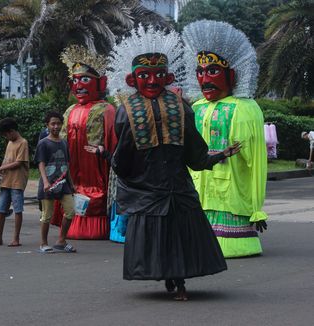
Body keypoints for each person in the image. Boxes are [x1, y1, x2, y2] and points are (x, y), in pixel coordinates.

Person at [108, 25, 239, 300]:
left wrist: (216, 157)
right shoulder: (125, 111)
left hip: (177, 183)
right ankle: (167, 274)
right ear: (133, 80)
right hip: (147, 185)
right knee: (156, 233)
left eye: (158, 75)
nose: (153, 81)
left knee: (180, 233)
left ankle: (179, 281)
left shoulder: (181, 107)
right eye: (145, 75)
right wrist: (120, 169)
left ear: (168, 77)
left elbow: (194, 149)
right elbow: (123, 153)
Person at [182, 20, 268, 258]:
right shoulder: (196, 107)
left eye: (212, 71)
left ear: (231, 75)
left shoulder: (245, 108)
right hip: (199, 185)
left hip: (231, 186)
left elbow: (256, 161)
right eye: (200, 72)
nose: (204, 78)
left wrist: (256, 207)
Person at [57, 45, 118, 240]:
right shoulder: (70, 110)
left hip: (97, 168)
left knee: (95, 188)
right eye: (75, 81)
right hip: (74, 167)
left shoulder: (106, 109)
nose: (79, 85)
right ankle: (70, 220)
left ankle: (99, 222)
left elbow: (113, 142)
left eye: (85, 80)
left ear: (100, 83)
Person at [35, 111, 76, 253]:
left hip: (64, 184)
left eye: (58, 123)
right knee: (47, 215)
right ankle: (43, 243)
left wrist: (71, 183)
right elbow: (40, 163)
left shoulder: (64, 143)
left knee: (71, 211)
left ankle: (61, 241)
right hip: (49, 185)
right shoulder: (43, 143)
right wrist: (46, 182)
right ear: (47, 125)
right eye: (53, 123)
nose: (56, 126)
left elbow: (67, 164)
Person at [0, 118, 29, 247]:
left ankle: (16, 238)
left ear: (11, 131)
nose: (6, 137)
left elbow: (19, 162)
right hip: (6, 181)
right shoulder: (10, 143)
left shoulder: (23, 143)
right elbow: (7, 161)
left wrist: (1, 168)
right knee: (1, 210)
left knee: (17, 210)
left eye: (6, 134)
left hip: (17, 182)